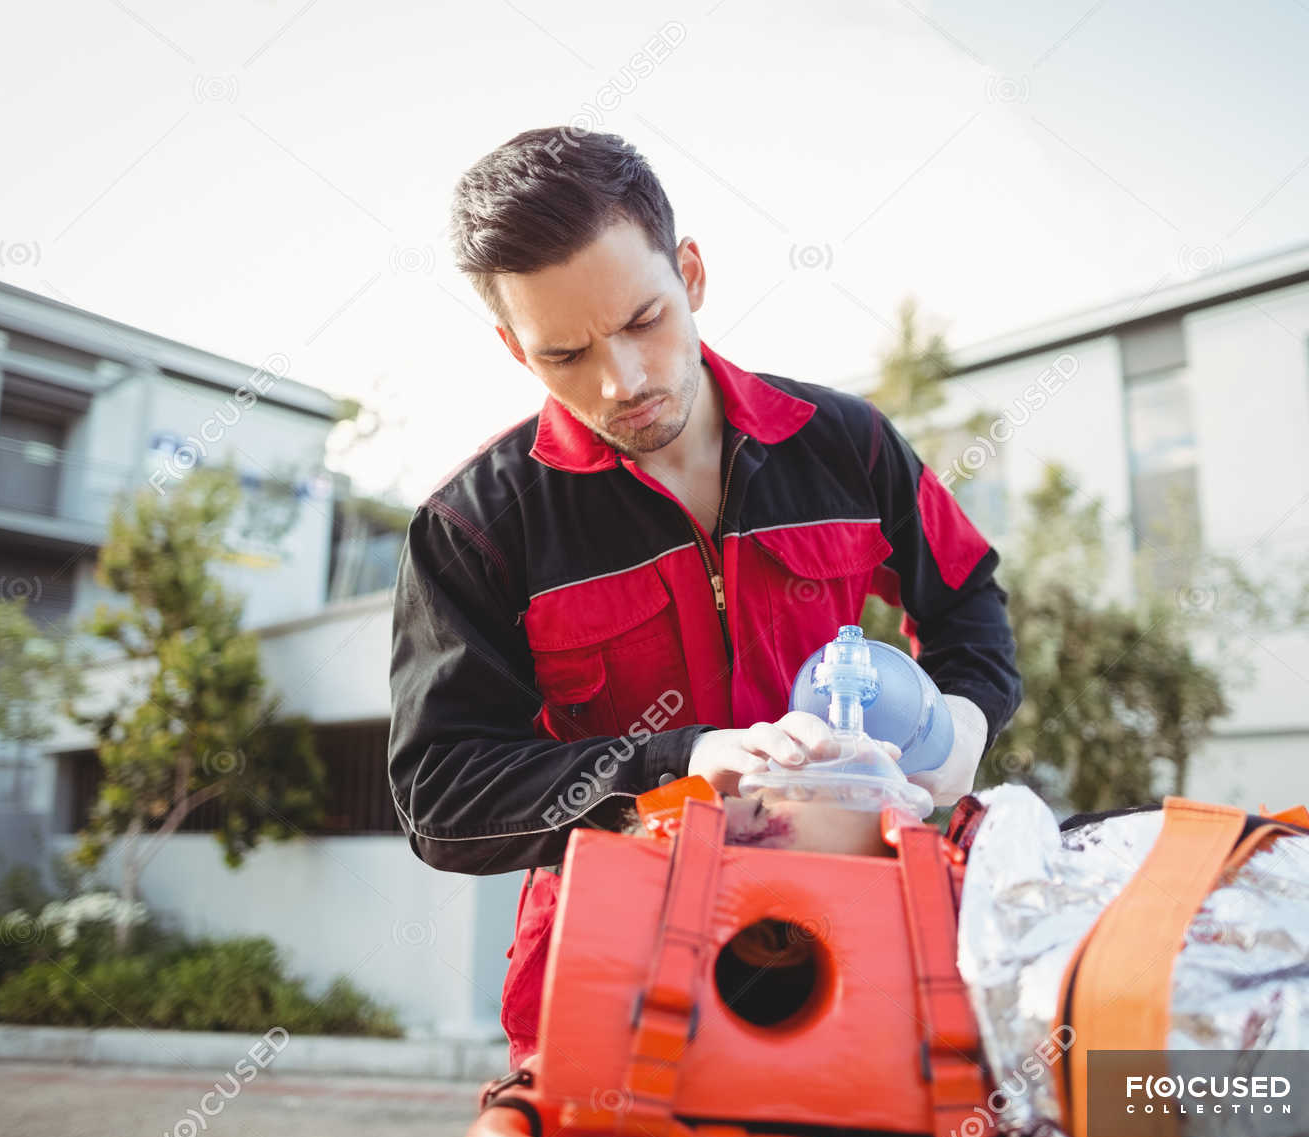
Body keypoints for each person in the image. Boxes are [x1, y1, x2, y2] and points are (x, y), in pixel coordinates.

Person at [388, 126, 1021, 1068]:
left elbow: (967, 597)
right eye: (564, 354)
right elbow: (443, 794)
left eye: (644, 320)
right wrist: (677, 767)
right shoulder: (476, 527)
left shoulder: (846, 445)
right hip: (614, 976)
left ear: (690, 273)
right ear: (514, 347)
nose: (624, 381)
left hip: (855, 942)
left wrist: (963, 719)